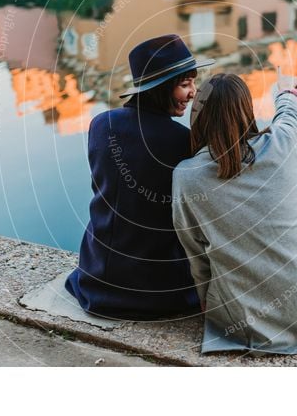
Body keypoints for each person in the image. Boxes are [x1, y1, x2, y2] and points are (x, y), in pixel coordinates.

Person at [171, 70, 297, 354]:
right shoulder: (280, 146)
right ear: (247, 110)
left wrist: (205, 300)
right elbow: (289, 115)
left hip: (253, 328)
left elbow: (196, 253)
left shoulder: (187, 177)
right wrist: (287, 89)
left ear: (199, 115)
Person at [65, 34, 214, 320]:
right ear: (159, 89)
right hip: (158, 290)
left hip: (97, 276)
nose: (194, 92)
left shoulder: (100, 124)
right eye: (185, 84)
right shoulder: (183, 142)